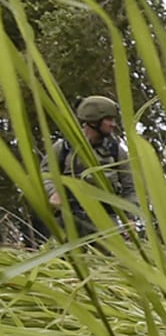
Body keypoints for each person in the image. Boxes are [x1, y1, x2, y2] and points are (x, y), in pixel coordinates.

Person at [42, 94, 136, 236]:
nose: (113, 124)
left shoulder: (116, 151)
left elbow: (129, 187)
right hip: (69, 219)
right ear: (94, 121)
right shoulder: (64, 148)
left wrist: (130, 218)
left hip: (106, 222)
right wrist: (53, 193)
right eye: (109, 120)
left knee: (110, 258)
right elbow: (45, 175)